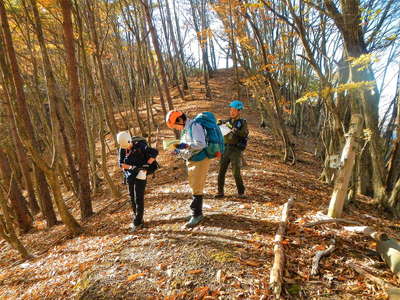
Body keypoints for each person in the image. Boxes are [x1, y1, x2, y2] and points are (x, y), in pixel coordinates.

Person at [166, 111, 223, 228]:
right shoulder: (186, 129)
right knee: (194, 186)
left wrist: (186, 146)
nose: (176, 128)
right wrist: (177, 150)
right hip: (192, 160)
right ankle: (195, 212)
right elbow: (187, 144)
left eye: (175, 125)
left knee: (197, 187)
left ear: (180, 120)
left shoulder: (195, 126)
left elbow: (201, 144)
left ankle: (197, 214)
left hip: (200, 160)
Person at [117, 132, 158, 232]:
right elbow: (121, 164)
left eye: (128, 146)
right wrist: (131, 167)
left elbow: (154, 152)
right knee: (132, 197)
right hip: (130, 175)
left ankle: (137, 222)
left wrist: (146, 164)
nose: (127, 148)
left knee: (138, 198)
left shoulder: (140, 145)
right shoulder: (122, 149)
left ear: (130, 141)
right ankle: (138, 218)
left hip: (141, 173)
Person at [215, 100, 249, 198]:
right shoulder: (227, 121)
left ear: (239, 111)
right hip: (225, 148)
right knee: (221, 171)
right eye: (231, 110)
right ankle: (220, 192)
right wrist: (220, 123)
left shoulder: (243, 122)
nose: (232, 112)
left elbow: (244, 134)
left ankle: (241, 192)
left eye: (234, 110)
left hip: (236, 150)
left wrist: (234, 130)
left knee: (236, 172)